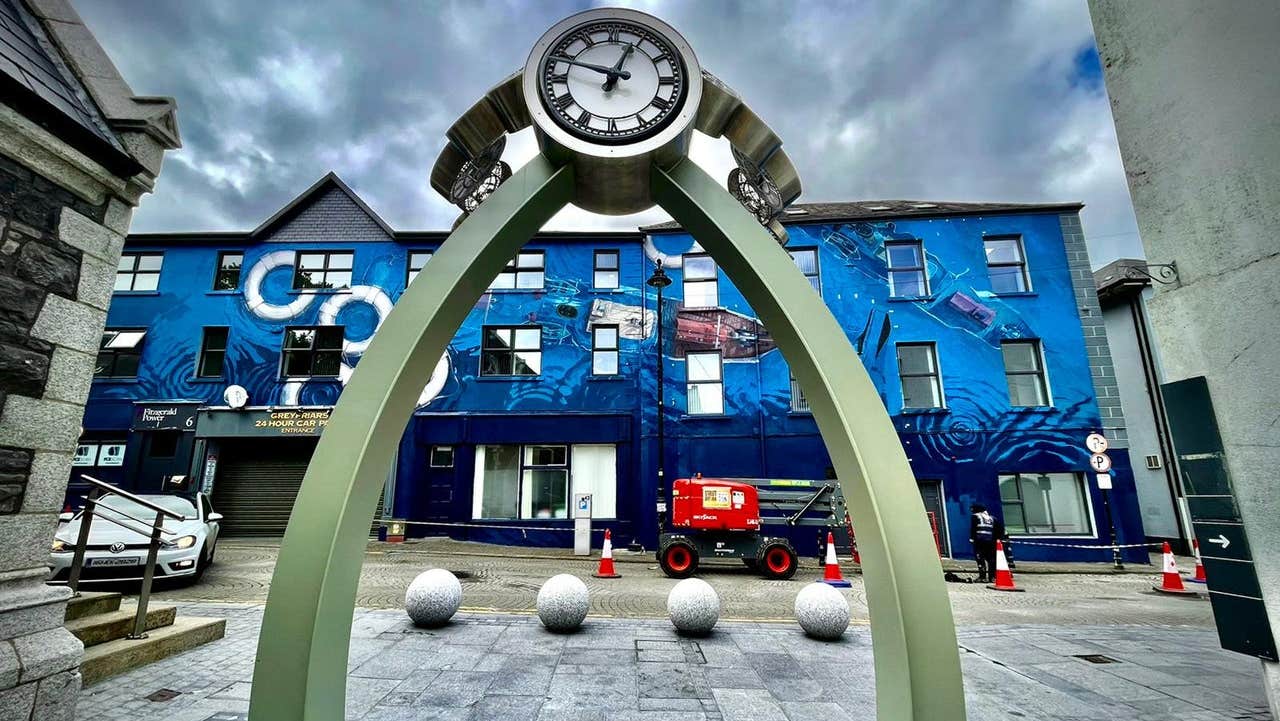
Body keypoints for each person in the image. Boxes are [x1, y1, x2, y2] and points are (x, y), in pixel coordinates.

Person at [969, 503, 996, 582]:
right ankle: (992, 577)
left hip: (979, 541)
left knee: (980, 558)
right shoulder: (990, 518)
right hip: (990, 541)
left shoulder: (975, 516)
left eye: (972, 509)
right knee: (990, 559)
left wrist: (972, 538)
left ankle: (982, 577)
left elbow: (973, 528)